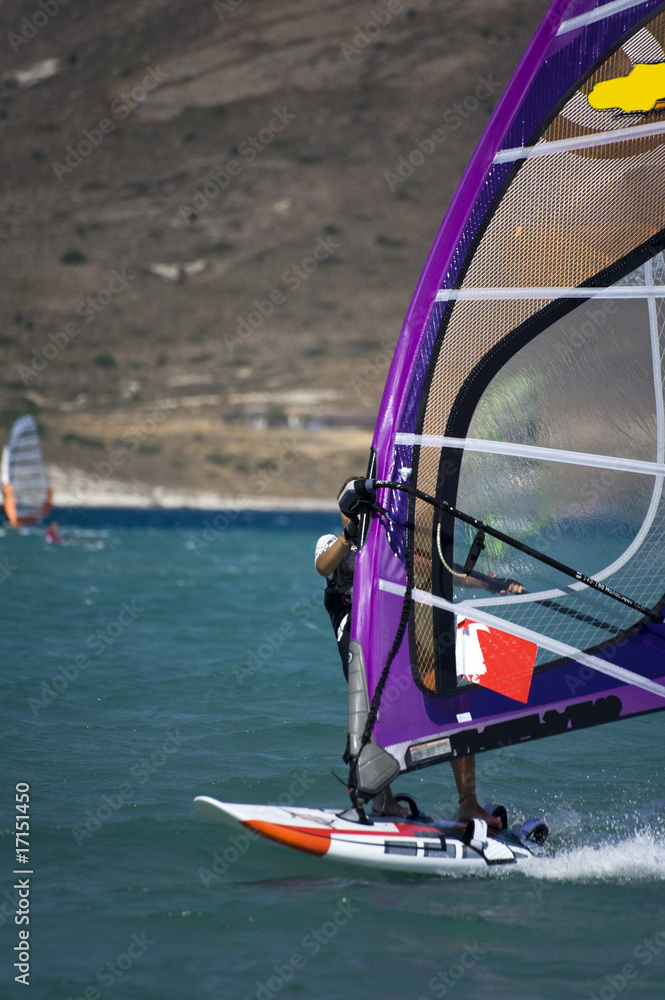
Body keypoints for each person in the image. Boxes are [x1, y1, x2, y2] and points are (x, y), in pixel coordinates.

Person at [316, 477, 525, 827]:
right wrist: (352, 532)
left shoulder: (393, 543)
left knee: (454, 705)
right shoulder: (336, 543)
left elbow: (446, 573)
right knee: (373, 715)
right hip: (362, 645)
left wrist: (494, 583)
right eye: (347, 509)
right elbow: (324, 566)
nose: (353, 515)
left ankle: (468, 804)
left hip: (405, 642)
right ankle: (380, 799)